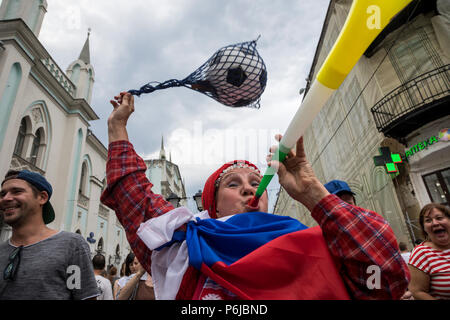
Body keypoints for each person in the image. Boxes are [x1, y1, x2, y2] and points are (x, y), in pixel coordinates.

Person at [100, 92, 409, 300]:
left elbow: (385, 280)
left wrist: (313, 193)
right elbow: (134, 197)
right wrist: (117, 128)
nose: (249, 188)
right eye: (233, 184)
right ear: (214, 209)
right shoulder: (185, 247)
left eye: (255, 182)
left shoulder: (315, 243)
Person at [0, 170, 99, 300]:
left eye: (17, 191)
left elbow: (84, 297)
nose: (6, 198)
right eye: (3, 194)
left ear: (42, 197)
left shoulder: (71, 245)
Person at [408, 203, 450, 300]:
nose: (435, 223)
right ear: (424, 228)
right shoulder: (421, 253)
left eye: (439, 218)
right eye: (428, 220)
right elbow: (417, 292)